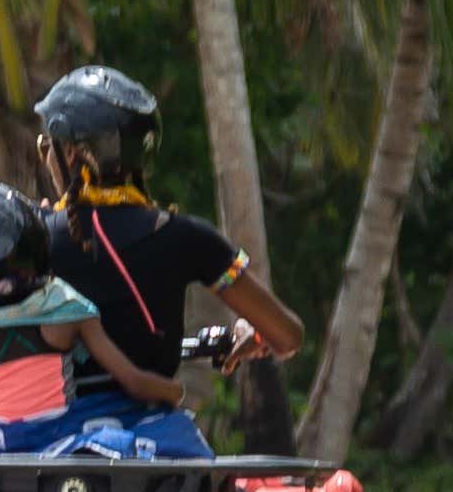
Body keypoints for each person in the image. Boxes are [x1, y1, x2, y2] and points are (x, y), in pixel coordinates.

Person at [29, 66, 309, 404]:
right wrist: (252, 332)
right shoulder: (187, 236)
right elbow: (287, 336)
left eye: (47, 146)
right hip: (153, 436)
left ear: (72, 153)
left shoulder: (31, 236)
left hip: (51, 436)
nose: (45, 157)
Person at [0, 182, 192, 458]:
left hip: (0, 444)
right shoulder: (69, 311)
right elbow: (133, 382)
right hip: (61, 438)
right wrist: (174, 391)